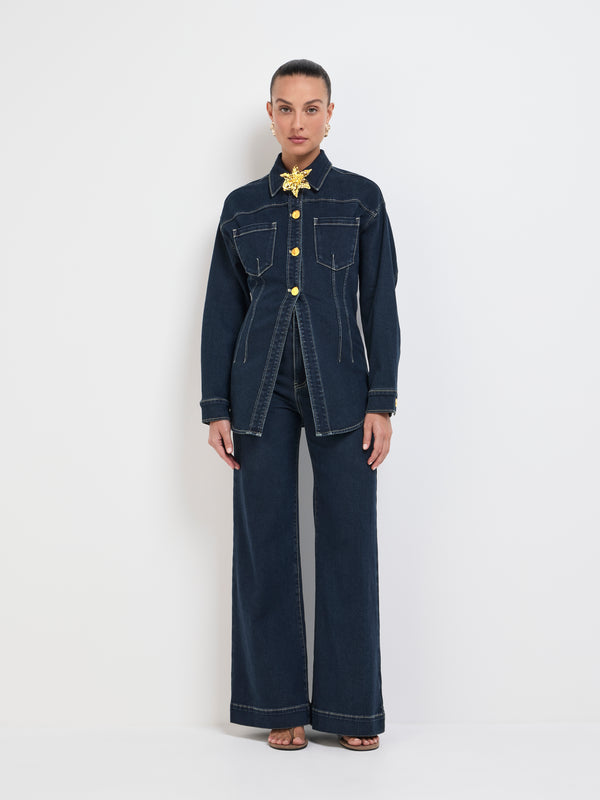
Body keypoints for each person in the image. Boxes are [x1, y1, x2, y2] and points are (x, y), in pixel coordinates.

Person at [199, 59, 400, 751]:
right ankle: (277, 704)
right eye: (285, 108)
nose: (298, 121)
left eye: (312, 108)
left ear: (330, 114)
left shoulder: (360, 199)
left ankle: (350, 711)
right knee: (264, 543)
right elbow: (221, 312)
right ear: (270, 113)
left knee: (349, 540)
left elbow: (379, 303)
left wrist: (382, 399)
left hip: (343, 389)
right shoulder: (241, 208)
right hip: (257, 394)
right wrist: (216, 406)